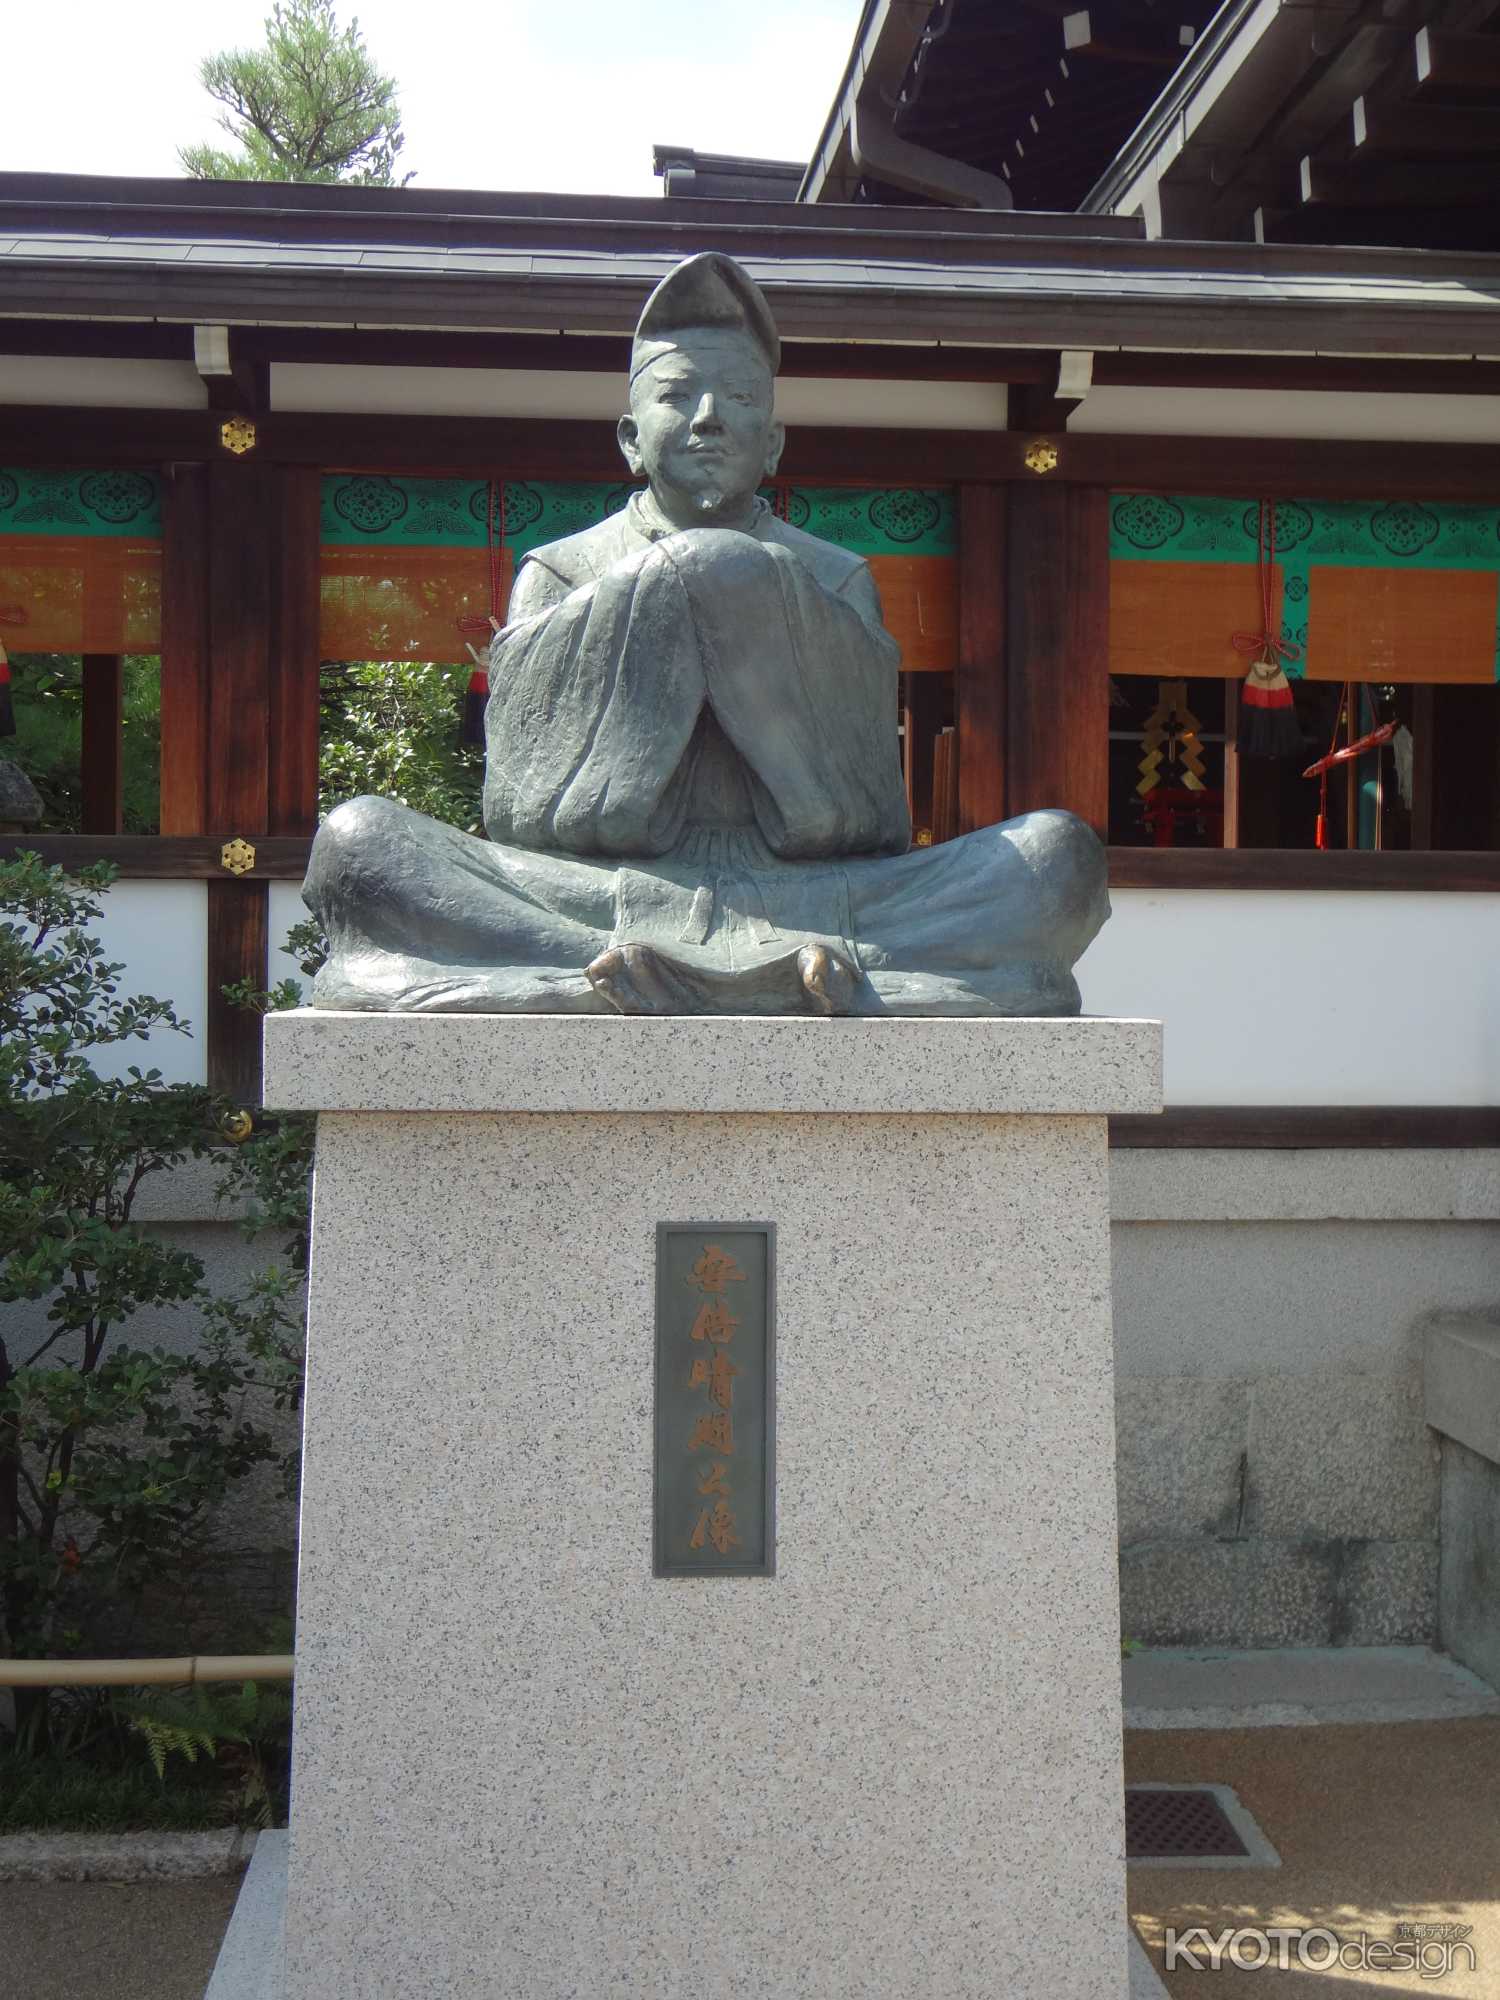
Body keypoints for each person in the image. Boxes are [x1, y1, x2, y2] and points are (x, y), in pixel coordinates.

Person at [304, 253, 1107, 1015]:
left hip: (823, 899)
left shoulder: (835, 576)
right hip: (593, 895)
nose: (711, 418)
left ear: (776, 441)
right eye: (679, 395)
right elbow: (524, 812)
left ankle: (594, 979)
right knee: (357, 843)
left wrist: (743, 592)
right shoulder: (559, 571)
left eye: (741, 399)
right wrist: (673, 590)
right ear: (629, 439)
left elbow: (865, 821)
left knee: (1056, 859)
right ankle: (685, 971)